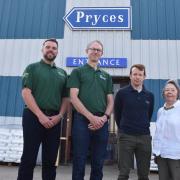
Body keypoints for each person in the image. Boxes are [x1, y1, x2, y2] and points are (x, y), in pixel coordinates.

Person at [17, 38, 68, 180]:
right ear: (43, 49)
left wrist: (60, 116)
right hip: (33, 117)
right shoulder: (32, 68)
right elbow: (26, 93)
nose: (51, 49)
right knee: (29, 158)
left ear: (57, 51)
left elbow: (66, 98)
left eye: (54, 48)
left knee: (50, 161)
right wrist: (40, 115)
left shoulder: (62, 73)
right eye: (48, 47)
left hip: (54, 120)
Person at [67, 40, 114, 180]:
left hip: (102, 122)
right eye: (93, 49)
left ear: (102, 54)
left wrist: (104, 117)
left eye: (98, 50)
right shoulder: (77, 72)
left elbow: (110, 100)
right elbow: (73, 98)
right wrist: (90, 117)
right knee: (79, 159)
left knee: (98, 161)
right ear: (87, 51)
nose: (95, 51)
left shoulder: (106, 76)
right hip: (81, 121)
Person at [114, 64, 154, 180]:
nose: (137, 77)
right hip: (126, 136)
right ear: (130, 76)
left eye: (140, 75)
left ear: (144, 76)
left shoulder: (150, 96)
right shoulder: (122, 93)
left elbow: (148, 115)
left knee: (143, 174)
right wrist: (123, 130)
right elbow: (117, 115)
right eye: (135, 74)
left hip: (144, 137)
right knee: (123, 174)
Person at [153, 80, 180, 180]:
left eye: (173, 90)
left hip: (176, 155)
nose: (169, 92)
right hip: (161, 154)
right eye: (167, 90)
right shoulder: (161, 111)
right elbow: (158, 133)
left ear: (177, 92)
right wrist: (155, 151)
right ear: (163, 93)